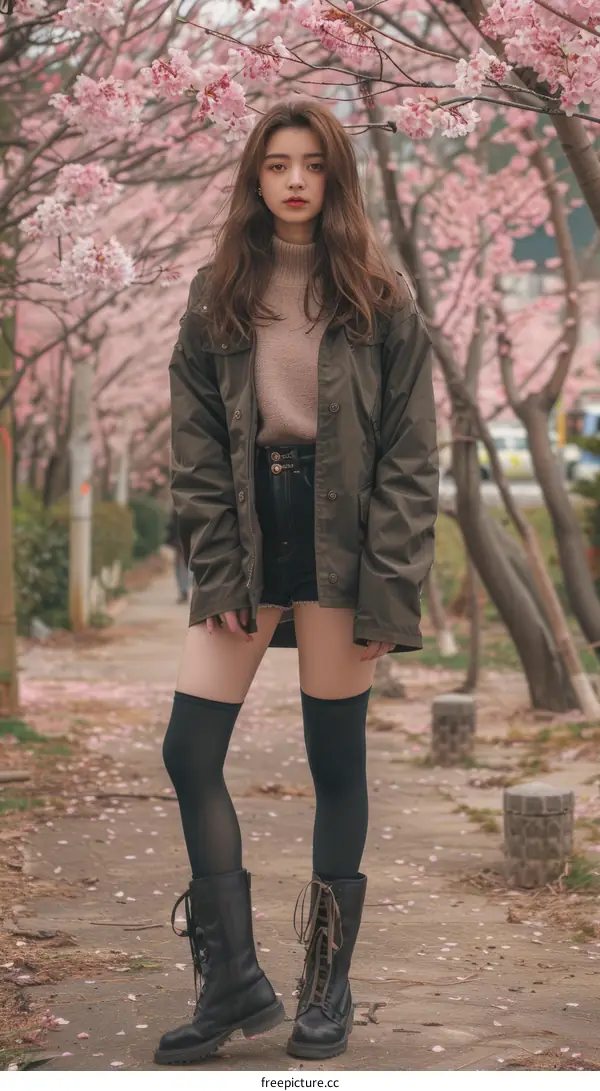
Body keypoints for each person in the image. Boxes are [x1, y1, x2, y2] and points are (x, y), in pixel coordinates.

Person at [156, 99, 439, 1067]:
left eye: (312, 164)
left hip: (340, 530)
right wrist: (219, 558)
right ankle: (232, 977)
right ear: (254, 175)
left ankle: (327, 985)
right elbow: (195, 441)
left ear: (335, 178)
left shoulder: (378, 295)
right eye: (277, 163)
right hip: (246, 518)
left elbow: (410, 454)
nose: (293, 180)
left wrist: (389, 590)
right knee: (190, 748)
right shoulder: (216, 291)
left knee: (336, 759)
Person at [165, 507, 190, 604]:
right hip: (182, 542)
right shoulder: (185, 508)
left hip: (181, 543)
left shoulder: (179, 509)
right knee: (181, 567)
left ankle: (184, 591)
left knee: (182, 567)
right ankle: (183, 590)